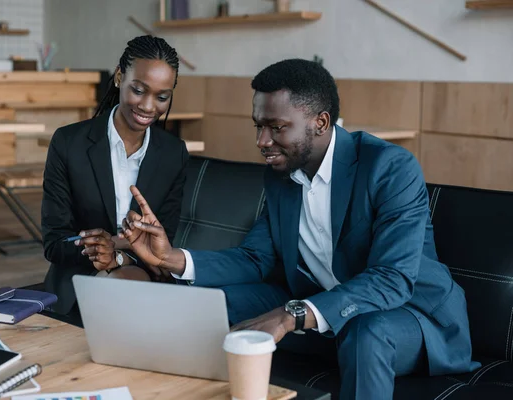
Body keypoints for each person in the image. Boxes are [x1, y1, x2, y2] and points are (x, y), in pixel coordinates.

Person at [117, 59, 480, 399]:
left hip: (412, 317)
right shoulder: (280, 177)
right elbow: (255, 258)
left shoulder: (389, 167)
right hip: (320, 306)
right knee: (212, 305)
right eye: (259, 126)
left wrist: (290, 315)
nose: (262, 141)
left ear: (320, 123)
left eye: (276, 128)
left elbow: (392, 279)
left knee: (366, 331)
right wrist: (170, 258)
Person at [41, 35, 189, 316]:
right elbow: (54, 242)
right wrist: (98, 249)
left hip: (142, 279)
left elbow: (165, 241)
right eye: (138, 90)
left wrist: (117, 253)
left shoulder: (174, 153)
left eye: (161, 97)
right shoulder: (69, 143)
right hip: (76, 284)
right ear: (120, 77)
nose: (148, 106)